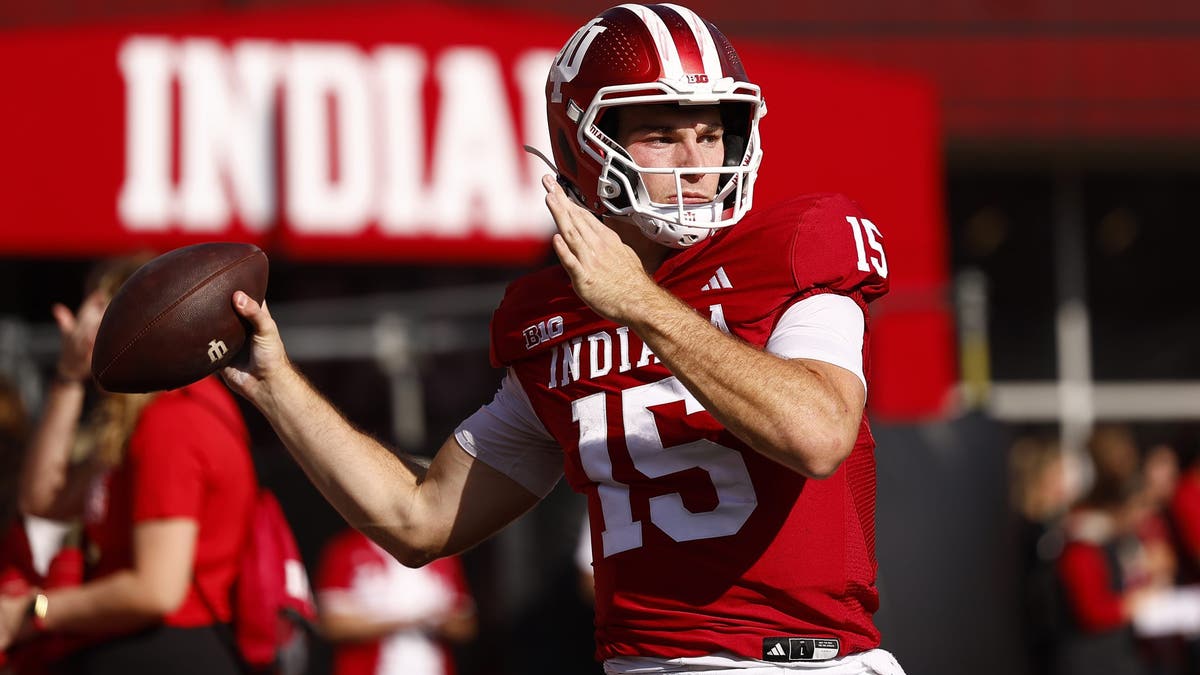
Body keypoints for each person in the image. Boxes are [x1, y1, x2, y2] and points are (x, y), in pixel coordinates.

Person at [222, 4, 901, 673]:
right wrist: (279, 384)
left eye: (711, 131)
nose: (697, 162)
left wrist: (639, 302)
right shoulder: (557, 322)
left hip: (802, 663)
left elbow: (816, 434)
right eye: (662, 134)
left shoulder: (794, 248)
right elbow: (416, 516)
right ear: (586, 143)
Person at [0, 257, 258, 675]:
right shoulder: (140, 421)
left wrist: (34, 611)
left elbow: (156, 590)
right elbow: (42, 499)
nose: (86, 330)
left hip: (169, 649)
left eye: (98, 313)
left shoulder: (173, 421)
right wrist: (68, 377)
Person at [316, 527, 477, 675]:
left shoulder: (441, 554)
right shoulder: (347, 548)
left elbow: (467, 626)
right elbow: (331, 625)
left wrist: (441, 621)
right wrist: (410, 620)